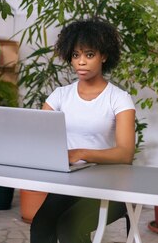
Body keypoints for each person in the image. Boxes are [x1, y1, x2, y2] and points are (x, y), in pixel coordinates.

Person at [30, 18, 136, 243]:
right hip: (70, 182)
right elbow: (39, 139)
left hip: (110, 184)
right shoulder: (59, 96)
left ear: (104, 56)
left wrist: (80, 153)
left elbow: (126, 154)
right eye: (76, 55)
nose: (81, 62)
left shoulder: (119, 99)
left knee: (70, 227)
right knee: (41, 227)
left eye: (89, 55)